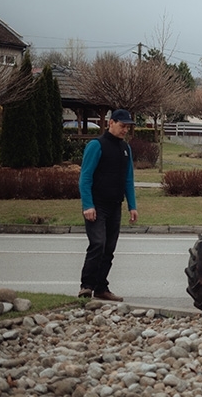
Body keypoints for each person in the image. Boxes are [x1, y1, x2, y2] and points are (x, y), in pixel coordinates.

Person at [78, 109, 138, 302]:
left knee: (109, 248)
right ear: (111, 123)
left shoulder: (125, 149)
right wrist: (88, 205)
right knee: (98, 244)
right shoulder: (97, 145)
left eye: (127, 127)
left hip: (115, 206)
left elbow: (128, 179)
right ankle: (86, 286)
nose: (125, 130)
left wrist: (132, 206)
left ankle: (101, 288)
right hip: (97, 205)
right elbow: (85, 177)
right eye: (122, 126)